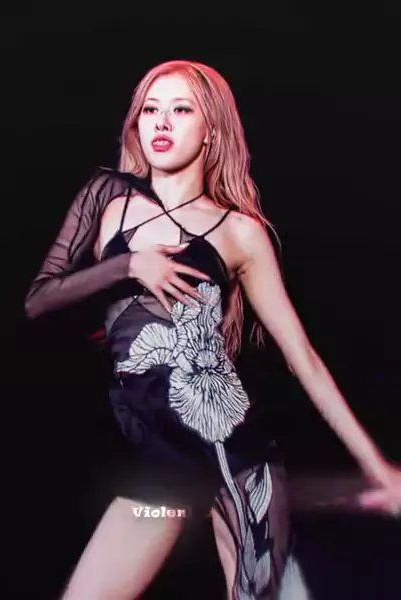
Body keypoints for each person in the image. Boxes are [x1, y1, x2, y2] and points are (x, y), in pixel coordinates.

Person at [25, 60, 401, 599]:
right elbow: (38, 301)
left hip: (238, 466)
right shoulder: (107, 198)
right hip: (159, 477)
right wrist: (129, 266)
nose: (161, 122)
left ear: (212, 131)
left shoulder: (240, 231)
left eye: (181, 110)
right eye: (150, 110)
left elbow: (303, 358)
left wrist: (378, 467)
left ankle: (339, 509)